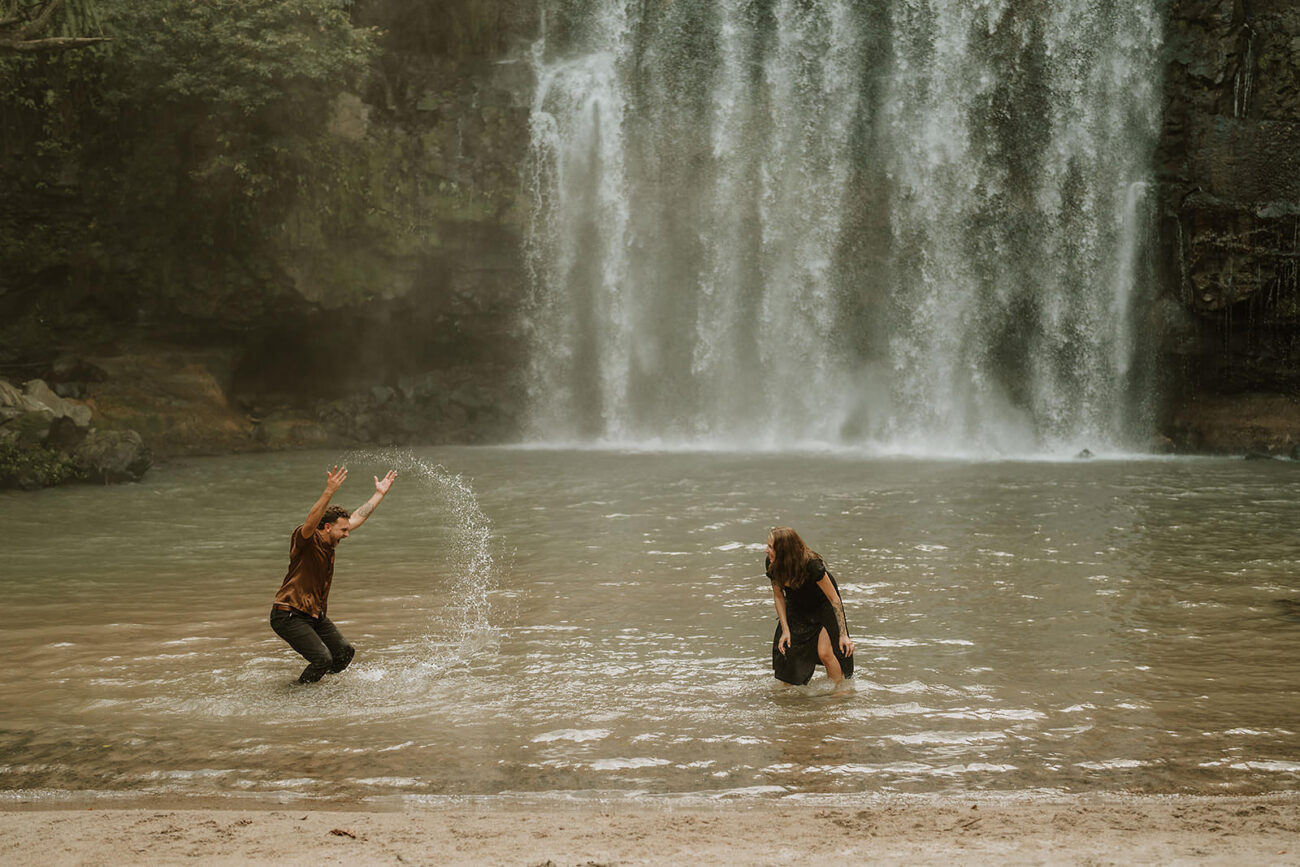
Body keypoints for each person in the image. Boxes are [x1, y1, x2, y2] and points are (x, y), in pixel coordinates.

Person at [270, 465, 397, 683]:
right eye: (343, 530)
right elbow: (311, 521)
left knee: (344, 654)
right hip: (289, 614)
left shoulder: (332, 540)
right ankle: (296, 694)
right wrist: (329, 491)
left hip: (314, 614)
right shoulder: (306, 539)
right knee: (322, 659)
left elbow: (358, 516)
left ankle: (318, 686)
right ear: (327, 527)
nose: (348, 534)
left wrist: (378, 494)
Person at [766, 526, 855, 687]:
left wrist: (843, 634)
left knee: (825, 652)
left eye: (770, 547)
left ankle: (839, 694)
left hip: (823, 606)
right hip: (797, 605)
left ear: (784, 549)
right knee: (789, 650)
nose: (766, 550)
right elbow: (779, 596)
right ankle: (789, 700)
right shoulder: (772, 564)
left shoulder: (812, 565)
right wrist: (785, 630)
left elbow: (834, 599)